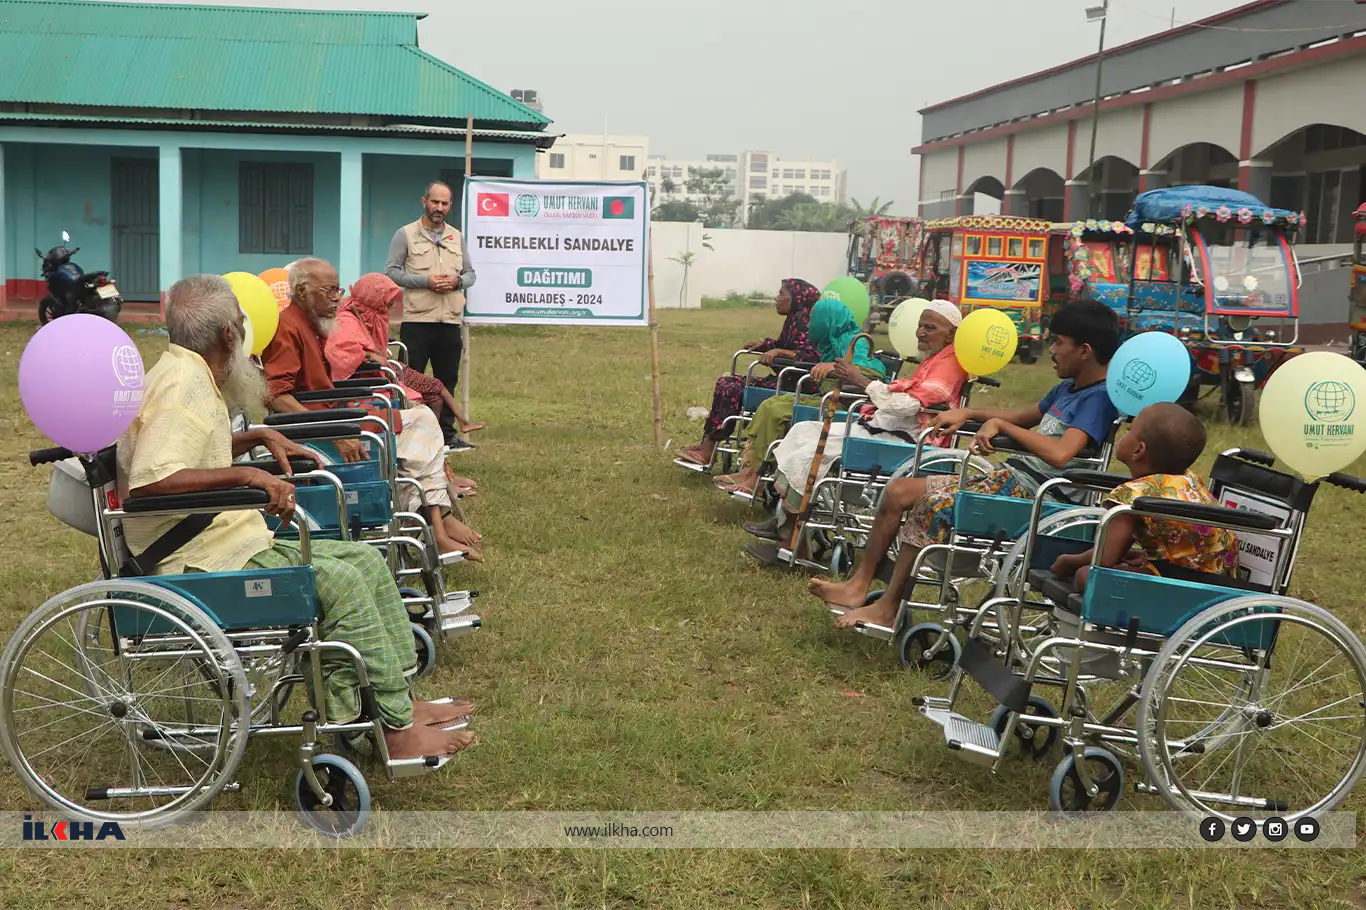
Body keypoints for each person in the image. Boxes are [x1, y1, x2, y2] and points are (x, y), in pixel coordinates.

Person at [118, 274, 475, 760]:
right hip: (198, 562)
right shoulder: (183, 388)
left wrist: (255, 439)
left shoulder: (186, 374)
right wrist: (248, 479)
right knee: (345, 584)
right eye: (242, 323)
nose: (246, 332)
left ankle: (398, 706)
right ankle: (387, 727)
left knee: (365, 564)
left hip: (228, 541)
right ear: (228, 334)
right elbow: (151, 483)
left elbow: (190, 456)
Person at [812, 300, 1121, 630]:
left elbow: (1061, 453)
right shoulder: (1067, 389)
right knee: (899, 490)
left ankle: (888, 607)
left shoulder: (1098, 398)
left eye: (1059, 342)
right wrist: (970, 414)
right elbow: (1021, 417)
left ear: (1085, 350)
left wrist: (1002, 427)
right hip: (1011, 481)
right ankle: (858, 585)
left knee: (930, 506)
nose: (1053, 350)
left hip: (1037, 498)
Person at [261, 258, 482, 560]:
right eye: (329, 291)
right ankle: (437, 526)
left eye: (338, 290)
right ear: (301, 291)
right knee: (420, 425)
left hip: (338, 416)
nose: (337, 298)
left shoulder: (313, 325)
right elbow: (276, 395)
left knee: (419, 425)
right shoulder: (288, 328)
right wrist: (332, 433)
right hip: (320, 430)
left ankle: (437, 525)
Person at [744, 301, 968, 542]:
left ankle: (791, 535)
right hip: (886, 428)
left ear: (951, 333)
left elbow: (905, 405)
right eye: (920, 325)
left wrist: (859, 379)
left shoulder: (950, 365)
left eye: (930, 327)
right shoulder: (935, 358)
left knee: (811, 450)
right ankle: (785, 520)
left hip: (903, 443)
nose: (920, 332)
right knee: (802, 430)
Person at [1050, 402, 1238, 591]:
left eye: (1130, 430)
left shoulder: (1131, 495)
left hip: (1185, 584)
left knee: (1085, 575)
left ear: (1138, 450)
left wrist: (1069, 561)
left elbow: (1104, 558)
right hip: (1218, 579)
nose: (1124, 434)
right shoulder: (1188, 480)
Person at [714, 296, 889, 496]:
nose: (809, 324)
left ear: (826, 319)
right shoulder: (831, 342)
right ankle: (750, 469)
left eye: (814, 318)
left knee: (776, 410)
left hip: (842, 406)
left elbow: (871, 373)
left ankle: (758, 480)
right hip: (826, 398)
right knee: (771, 403)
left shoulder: (854, 341)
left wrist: (833, 366)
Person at [326, 271, 486, 449]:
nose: (388, 309)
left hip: (387, 369)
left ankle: (436, 444)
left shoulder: (369, 314)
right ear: (374, 298)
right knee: (433, 392)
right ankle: (430, 445)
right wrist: (371, 355)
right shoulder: (347, 320)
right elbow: (342, 352)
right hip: (373, 375)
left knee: (435, 389)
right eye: (387, 304)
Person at [677, 279, 822, 468]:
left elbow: (812, 357)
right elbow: (787, 345)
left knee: (730, 387)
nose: (776, 298)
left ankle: (709, 446)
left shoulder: (804, 320)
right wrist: (766, 345)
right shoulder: (794, 318)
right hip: (783, 381)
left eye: (781, 294)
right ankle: (708, 443)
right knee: (726, 381)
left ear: (797, 298)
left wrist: (778, 353)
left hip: (795, 387)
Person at [386, 181, 476, 448]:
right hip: (417, 321)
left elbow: (471, 274)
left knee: (447, 379)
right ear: (423, 201)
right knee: (411, 379)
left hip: (449, 322)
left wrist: (457, 282)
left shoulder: (456, 236)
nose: (439, 208)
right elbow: (391, 271)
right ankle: (409, 435)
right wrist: (426, 282)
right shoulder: (405, 234)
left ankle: (446, 437)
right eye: (434, 202)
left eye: (445, 203)